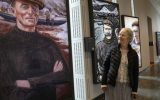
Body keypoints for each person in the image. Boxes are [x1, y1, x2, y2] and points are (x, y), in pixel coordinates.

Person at [0, 0, 70, 100]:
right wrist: (51, 76)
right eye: (25, 7)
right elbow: (7, 87)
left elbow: (64, 75)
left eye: (34, 8)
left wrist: (30, 82)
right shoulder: (3, 45)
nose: (31, 12)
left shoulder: (48, 44)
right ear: (13, 11)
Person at [101, 28, 139, 100]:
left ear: (129, 38)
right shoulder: (112, 50)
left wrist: (134, 90)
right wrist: (103, 83)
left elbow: (135, 72)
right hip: (112, 84)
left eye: (123, 35)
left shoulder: (133, 54)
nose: (119, 36)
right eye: (119, 34)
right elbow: (106, 67)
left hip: (127, 86)